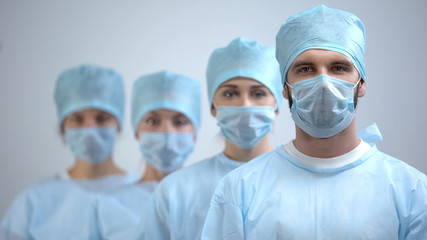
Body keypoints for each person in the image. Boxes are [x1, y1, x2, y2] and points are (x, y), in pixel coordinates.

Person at [202, 5, 427, 240]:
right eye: (305, 69)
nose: (323, 82)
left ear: (361, 84)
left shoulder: (411, 192)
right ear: (285, 88)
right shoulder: (240, 190)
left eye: (338, 68)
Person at [133, 36, 284, 240]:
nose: (245, 105)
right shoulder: (176, 190)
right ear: (213, 106)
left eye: (258, 94)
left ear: (276, 103)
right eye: (230, 94)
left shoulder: (298, 181)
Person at [0, 64, 135, 239]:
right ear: (63, 128)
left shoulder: (151, 198)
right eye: (77, 119)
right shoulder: (32, 203)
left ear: (119, 125)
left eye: (102, 118)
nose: (90, 130)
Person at [96, 70, 201, 239]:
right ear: (137, 130)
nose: (167, 133)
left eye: (180, 121)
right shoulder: (108, 205)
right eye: (153, 121)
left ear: (194, 132)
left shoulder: (215, 201)